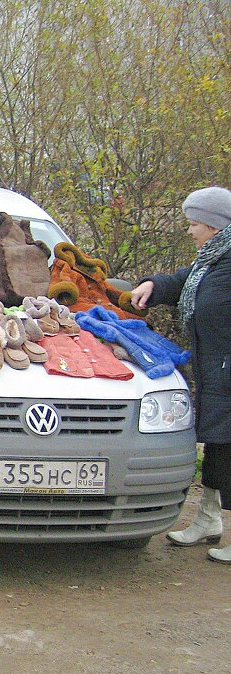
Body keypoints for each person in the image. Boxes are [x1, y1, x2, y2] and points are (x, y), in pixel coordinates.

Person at [131, 186, 231, 562]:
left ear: (214, 225)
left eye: (193, 224)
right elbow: (186, 280)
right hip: (215, 370)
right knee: (219, 448)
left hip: (227, 369)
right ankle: (208, 519)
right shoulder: (215, 259)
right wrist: (153, 285)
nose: (189, 231)